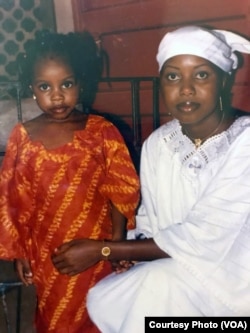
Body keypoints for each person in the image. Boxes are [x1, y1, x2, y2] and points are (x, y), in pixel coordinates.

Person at [74, 25, 250, 332]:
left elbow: (203, 237)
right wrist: (133, 253)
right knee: (118, 294)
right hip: (179, 270)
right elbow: (151, 222)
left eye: (201, 75)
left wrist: (104, 249)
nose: (185, 88)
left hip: (236, 288)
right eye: (172, 76)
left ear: (225, 80)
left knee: (156, 289)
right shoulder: (159, 143)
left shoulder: (244, 141)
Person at [0, 30, 140, 332]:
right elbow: (13, 201)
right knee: (57, 317)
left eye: (66, 84)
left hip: (96, 246)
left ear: (80, 83)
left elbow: (121, 191)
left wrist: (115, 246)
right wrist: (20, 253)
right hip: (47, 251)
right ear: (32, 89)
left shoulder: (101, 131)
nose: (57, 95)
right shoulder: (23, 137)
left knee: (101, 312)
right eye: (44, 86)